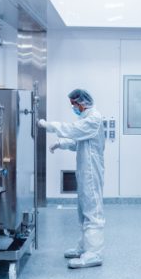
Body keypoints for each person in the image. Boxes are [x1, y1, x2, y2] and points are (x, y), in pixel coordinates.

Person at [39, 89, 106, 269]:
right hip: (85, 169)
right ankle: (85, 246)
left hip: (92, 170)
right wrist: (61, 143)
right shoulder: (86, 119)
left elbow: (73, 130)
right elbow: (78, 141)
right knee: (83, 209)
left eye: (74, 105)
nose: (73, 108)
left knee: (93, 210)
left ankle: (94, 253)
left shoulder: (94, 118)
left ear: (82, 103)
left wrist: (50, 126)